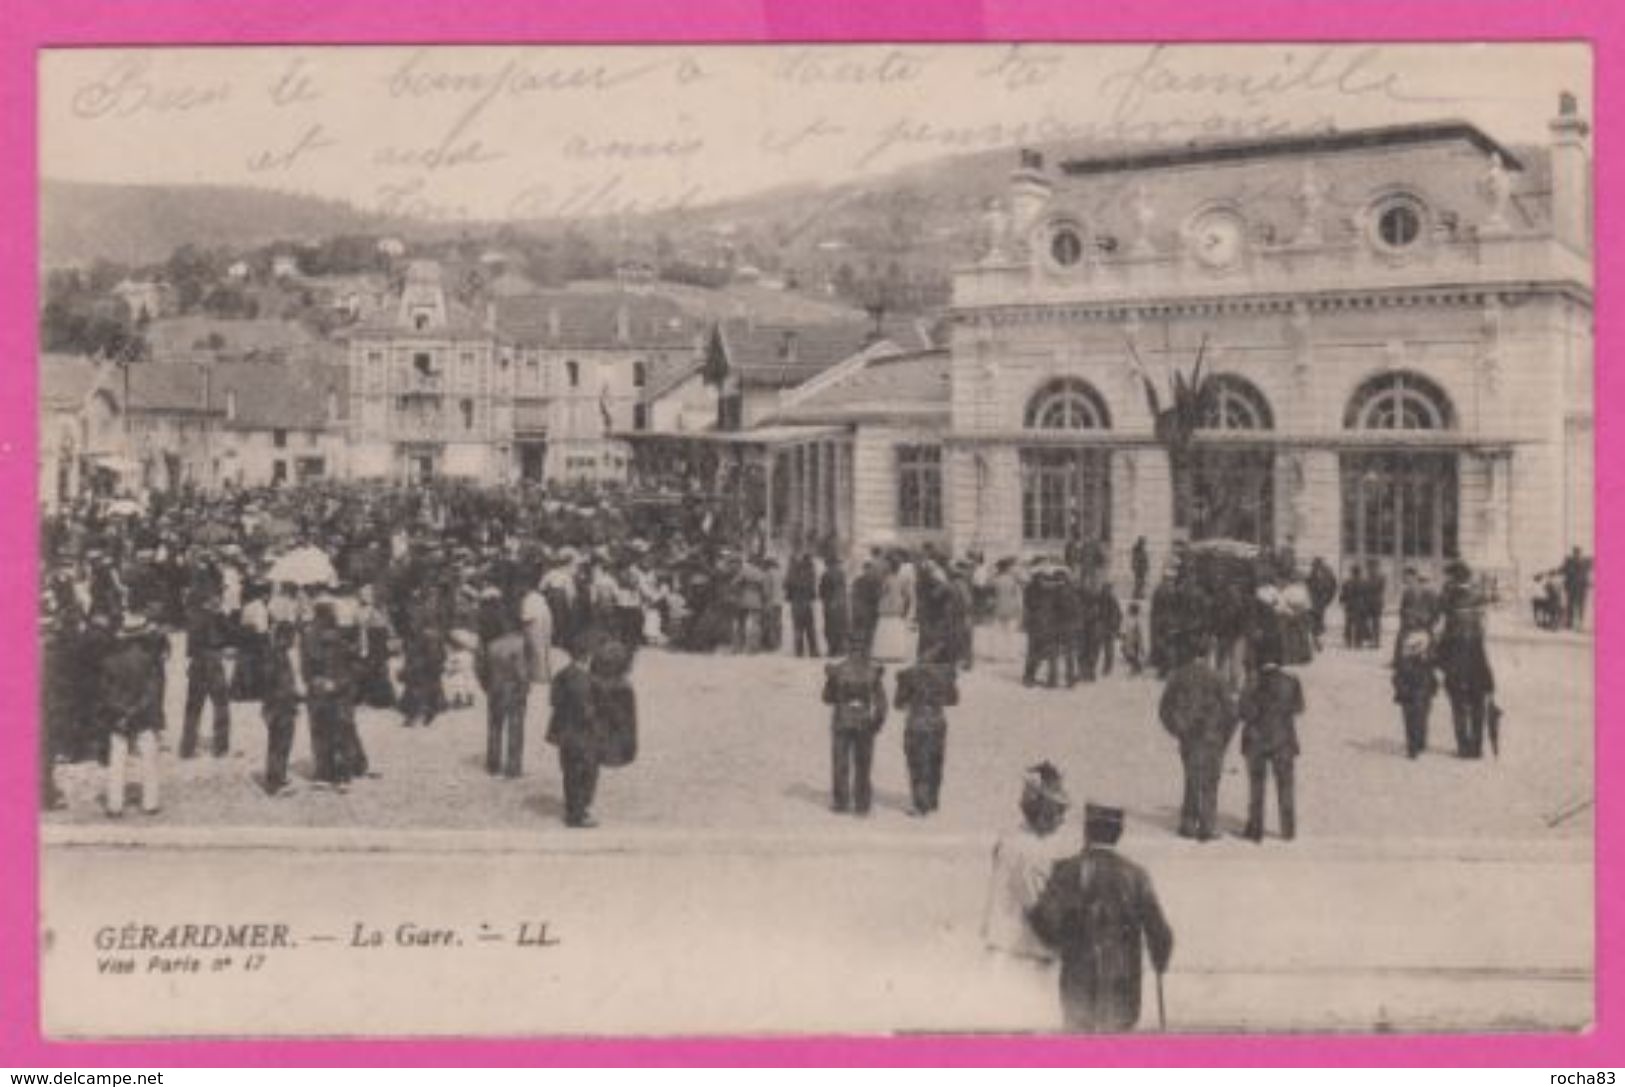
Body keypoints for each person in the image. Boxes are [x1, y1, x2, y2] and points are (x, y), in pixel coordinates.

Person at [1029, 804, 1175, 1033]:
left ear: (1086, 831)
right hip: (1122, 982)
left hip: (1078, 979)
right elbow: (1160, 934)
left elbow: (1043, 919)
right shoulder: (1136, 876)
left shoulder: (1067, 870)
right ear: (1119, 834)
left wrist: (1062, 943)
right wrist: (1160, 959)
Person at [979, 763, 1074, 1028]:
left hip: (1001, 942)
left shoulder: (1010, 838)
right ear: (1041, 812)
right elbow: (1037, 906)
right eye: (1056, 811)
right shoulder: (1031, 850)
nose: (1060, 818)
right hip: (1025, 952)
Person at [1158, 638, 1237, 841]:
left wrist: (1177, 730)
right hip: (1213, 737)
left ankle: (1188, 823)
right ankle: (1207, 825)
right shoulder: (1217, 677)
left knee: (1191, 778)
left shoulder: (1178, 676)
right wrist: (1225, 737)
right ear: (1208, 653)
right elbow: (1230, 711)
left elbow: (1164, 708)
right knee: (1210, 782)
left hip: (1189, 737)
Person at [99, 613, 164, 817]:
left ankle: (114, 804)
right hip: (143, 715)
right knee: (148, 756)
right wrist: (136, 710)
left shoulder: (109, 661)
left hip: (118, 716)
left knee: (117, 757)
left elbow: (105, 693)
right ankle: (150, 802)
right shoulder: (149, 661)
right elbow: (152, 692)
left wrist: (122, 712)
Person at [1237, 654, 1305, 842]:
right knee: (1285, 786)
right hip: (1283, 739)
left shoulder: (1251, 681)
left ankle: (1255, 828)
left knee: (1256, 786)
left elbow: (1242, 712)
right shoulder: (1291, 681)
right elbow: (1299, 708)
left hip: (1256, 740)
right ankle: (1287, 830)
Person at [1436, 562, 1496, 759]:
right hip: (1477, 660)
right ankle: (1477, 748)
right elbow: (1484, 626)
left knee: (1459, 705)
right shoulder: (1477, 597)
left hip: (1456, 660)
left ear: (1453, 578)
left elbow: (1441, 627)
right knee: (1477, 703)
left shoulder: (1449, 597)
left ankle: (1463, 747)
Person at [822, 642, 887, 816]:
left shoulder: (838, 670)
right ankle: (862, 804)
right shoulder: (873, 671)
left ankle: (841, 802)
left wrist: (833, 685)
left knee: (840, 763)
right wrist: (877, 724)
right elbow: (881, 704)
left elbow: (827, 698)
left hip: (842, 720)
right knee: (863, 764)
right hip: (864, 722)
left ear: (849, 650)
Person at [893, 646, 960, 815]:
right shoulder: (945, 675)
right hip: (937, 722)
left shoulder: (908, 675)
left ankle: (920, 803)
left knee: (917, 762)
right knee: (935, 760)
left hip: (916, 722)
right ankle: (932, 800)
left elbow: (898, 704)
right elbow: (953, 700)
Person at [302, 599, 356, 791]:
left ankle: (326, 773)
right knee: (339, 731)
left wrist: (316, 681)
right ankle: (340, 775)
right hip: (335, 690)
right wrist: (336, 683)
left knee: (323, 731)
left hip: (324, 690)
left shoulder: (309, 636)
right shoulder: (340, 637)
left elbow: (305, 668)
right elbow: (352, 666)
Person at [548, 639, 602, 828]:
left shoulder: (562, 674)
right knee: (586, 772)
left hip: (564, 732)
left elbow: (553, 700)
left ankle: (573, 807)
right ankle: (578, 814)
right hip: (582, 734)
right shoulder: (584, 680)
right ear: (588, 656)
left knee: (569, 771)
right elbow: (587, 711)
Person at [180, 589, 233, 759]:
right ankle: (221, 746)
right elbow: (227, 635)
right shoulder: (214, 617)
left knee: (193, 708)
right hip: (213, 664)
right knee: (221, 705)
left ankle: (187, 747)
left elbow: (189, 649)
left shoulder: (192, 618)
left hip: (196, 664)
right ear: (210, 599)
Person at [479, 610, 532, 779]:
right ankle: (513, 767)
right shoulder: (520, 644)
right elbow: (521, 671)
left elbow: (482, 670)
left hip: (495, 689)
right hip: (513, 689)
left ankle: (493, 764)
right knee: (515, 728)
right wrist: (525, 687)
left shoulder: (492, 645)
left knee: (495, 726)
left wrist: (487, 687)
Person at [260, 620, 302, 796]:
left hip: (279, 704)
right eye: (292, 637)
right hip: (280, 706)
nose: (294, 641)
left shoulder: (278, 653)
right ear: (285, 637)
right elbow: (278, 684)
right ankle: (274, 783)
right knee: (279, 743)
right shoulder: (277, 655)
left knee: (280, 742)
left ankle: (278, 776)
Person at [1392, 630, 1439, 759]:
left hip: (1411, 694)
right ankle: (1417, 744)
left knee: (1412, 720)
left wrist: (1400, 689)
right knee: (1419, 718)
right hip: (1418, 694)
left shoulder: (1407, 661)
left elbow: (1396, 678)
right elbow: (1431, 677)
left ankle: (1415, 745)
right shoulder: (1424, 661)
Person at [786, 549, 820, 658]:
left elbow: (786, 585)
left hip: (796, 602)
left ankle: (799, 651)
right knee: (810, 628)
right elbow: (813, 591)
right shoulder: (810, 571)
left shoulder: (792, 572)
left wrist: (790, 595)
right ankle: (813, 651)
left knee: (798, 627)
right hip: (806, 603)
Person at [819, 553, 849, 658]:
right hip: (841, 604)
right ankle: (841, 649)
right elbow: (843, 590)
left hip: (830, 604)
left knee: (830, 627)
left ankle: (833, 649)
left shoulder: (826, 574)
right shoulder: (842, 573)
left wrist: (829, 601)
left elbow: (821, 591)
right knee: (841, 627)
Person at [1563, 547, 1592, 631]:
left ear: (1581, 554)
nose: (1577, 555)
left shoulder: (1586, 562)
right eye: (1575, 553)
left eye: (1578, 553)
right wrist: (1550, 573)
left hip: (1582, 588)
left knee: (1581, 606)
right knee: (1570, 606)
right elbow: (1562, 570)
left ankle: (1580, 623)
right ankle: (1569, 623)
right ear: (1573, 554)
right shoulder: (1569, 562)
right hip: (1571, 588)